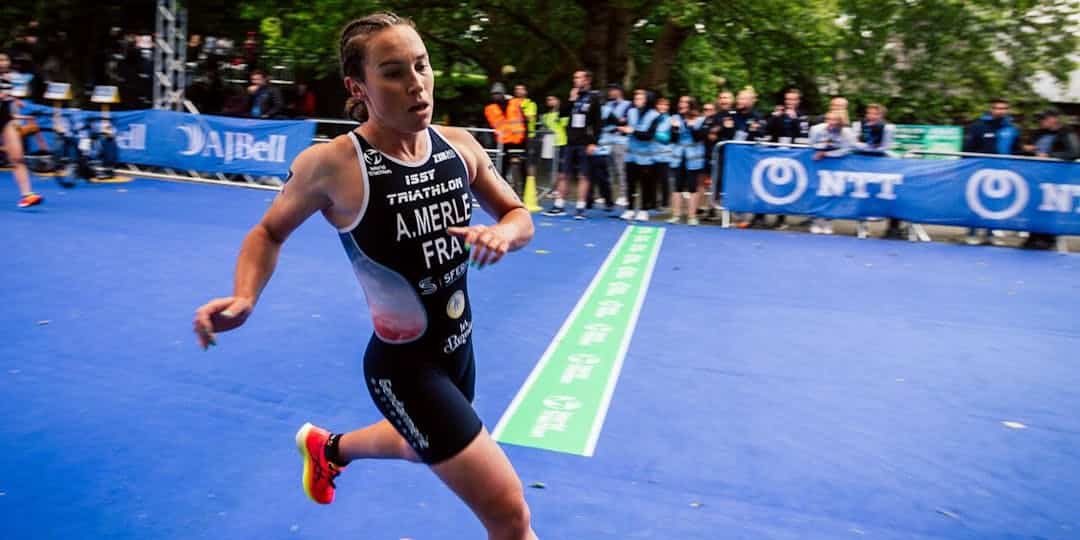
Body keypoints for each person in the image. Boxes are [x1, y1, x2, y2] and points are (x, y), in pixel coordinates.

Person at [192, 13, 539, 540]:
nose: (417, 83)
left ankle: (328, 449)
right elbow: (268, 232)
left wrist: (505, 235)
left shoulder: (459, 146)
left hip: (458, 352)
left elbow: (519, 214)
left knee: (419, 444)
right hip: (403, 366)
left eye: (421, 65)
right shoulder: (334, 165)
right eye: (394, 72)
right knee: (510, 515)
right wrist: (245, 297)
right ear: (359, 87)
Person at [545, 69, 601, 218]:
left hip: (585, 142)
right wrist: (571, 99)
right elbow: (562, 113)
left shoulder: (593, 98)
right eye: (575, 77)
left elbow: (597, 122)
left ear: (587, 80)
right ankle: (559, 204)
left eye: (579, 78)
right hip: (570, 141)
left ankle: (581, 207)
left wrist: (594, 142)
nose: (576, 80)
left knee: (584, 175)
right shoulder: (573, 95)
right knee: (563, 174)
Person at [0, 52, 42, 208]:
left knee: (17, 157)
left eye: (5, 60)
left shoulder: (8, 79)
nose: (3, 63)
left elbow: (7, 102)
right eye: (0, 60)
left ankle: (27, 195)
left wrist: (16, 112)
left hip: (5, 121)